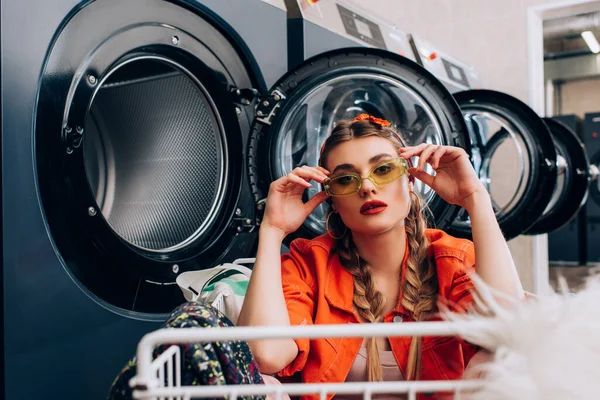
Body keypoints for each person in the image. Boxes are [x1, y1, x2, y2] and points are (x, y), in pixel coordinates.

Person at [237, 113, 525, 398]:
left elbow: (508, 332)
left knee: (496, 361)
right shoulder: (309, 263)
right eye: (346, 180)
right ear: (333, 202)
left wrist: (475, 198)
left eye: (384, 170)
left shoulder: (451, 258)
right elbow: (266, 356)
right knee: (264, 388)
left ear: (410, 182)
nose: (367, 186)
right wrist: (273, 230)